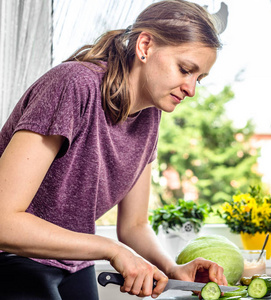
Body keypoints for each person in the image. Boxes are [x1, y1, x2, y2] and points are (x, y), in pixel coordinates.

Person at [0, 0, 226, 299]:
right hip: (11, 260)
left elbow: (134, 226)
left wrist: (173, 269)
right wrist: (111, 250)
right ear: (145, 45)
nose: (191, 89)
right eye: (185, 69)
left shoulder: (150, 115)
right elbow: (4, 222)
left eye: (199, 78)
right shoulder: (74, 84)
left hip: (73, 265)